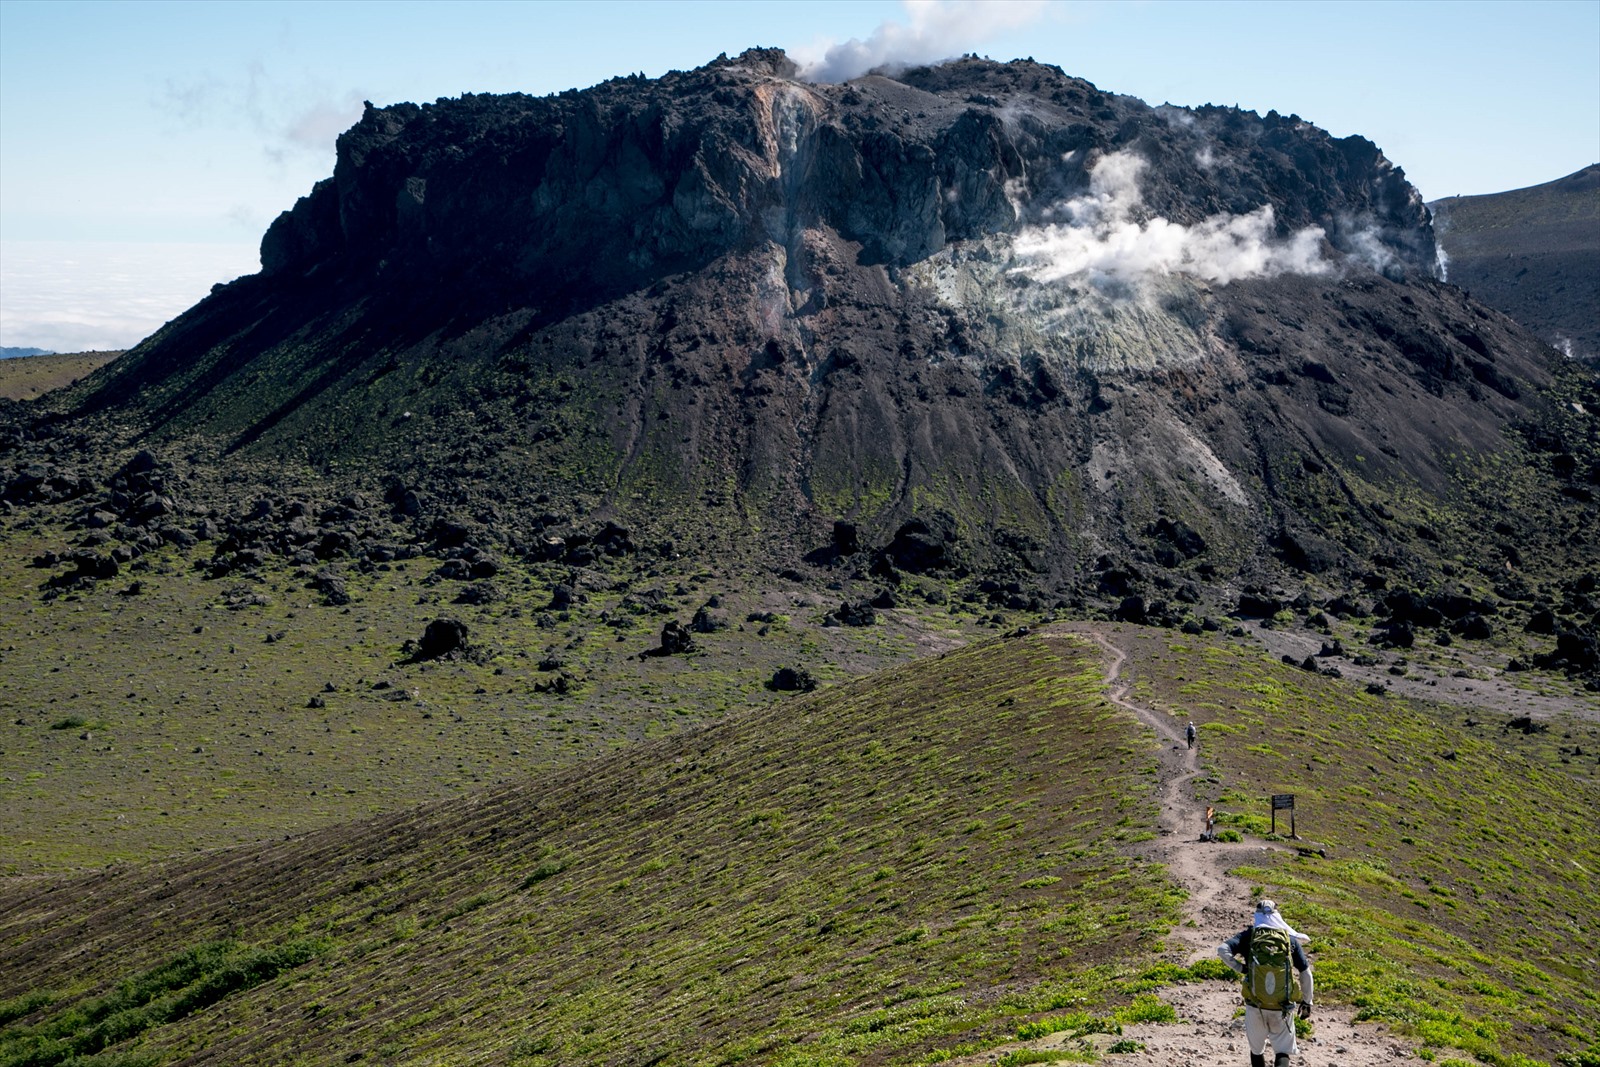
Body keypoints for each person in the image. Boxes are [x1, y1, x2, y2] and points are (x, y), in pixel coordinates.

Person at [1217, 899, 1313, 1067]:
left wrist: (1241, 968)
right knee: (1282, 1050)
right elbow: (1305, 972)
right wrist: (1307, 1001)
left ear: (1257, 915)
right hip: (1282, 1006)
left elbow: (1222, 950)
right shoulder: (1289, 940)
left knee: (1256, 1050)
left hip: (1255, 1004)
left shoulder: (1249, 936)